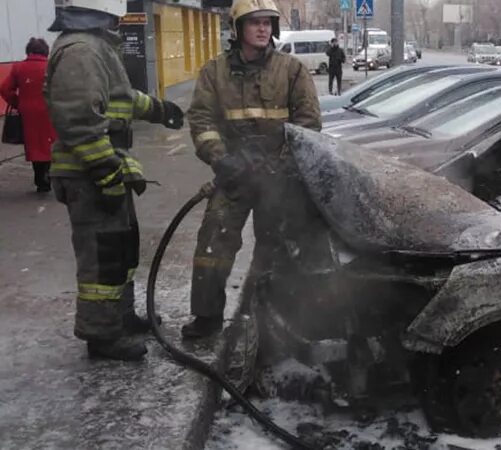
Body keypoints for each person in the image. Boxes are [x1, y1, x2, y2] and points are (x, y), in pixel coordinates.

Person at [44, 0, 184, 361]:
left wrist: (158, 109)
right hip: (89, 174)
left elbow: (120, 99)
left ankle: (120, 317)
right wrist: (106, 174)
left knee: (121, 248)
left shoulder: (96, 45)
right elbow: (79, 122)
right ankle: (102, 336)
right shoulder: (80, 50)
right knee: (102, 257)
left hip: (106, 168)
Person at [181, 0, 321, 339]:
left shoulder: (292, 70)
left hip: (279, 178)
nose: (263, 29)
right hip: (234, 176)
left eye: (268, 22)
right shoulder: (214, 72)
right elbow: (201, 119)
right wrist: (220, 158)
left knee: (276, 248)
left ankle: (271, 317)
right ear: (237, 28)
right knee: (213, 242)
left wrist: (282, 164)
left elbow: (308, 124)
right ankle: (207, 317)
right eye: (254, 22)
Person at [1, 38, 57, 192]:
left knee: (34, 145)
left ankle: (40, 178)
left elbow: (5, 88)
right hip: (50, 110)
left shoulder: (19, 67)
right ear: (45, 51)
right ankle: (49, 174)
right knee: (50, 143)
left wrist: (17, 102)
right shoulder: (51, 67)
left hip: (28, 112)